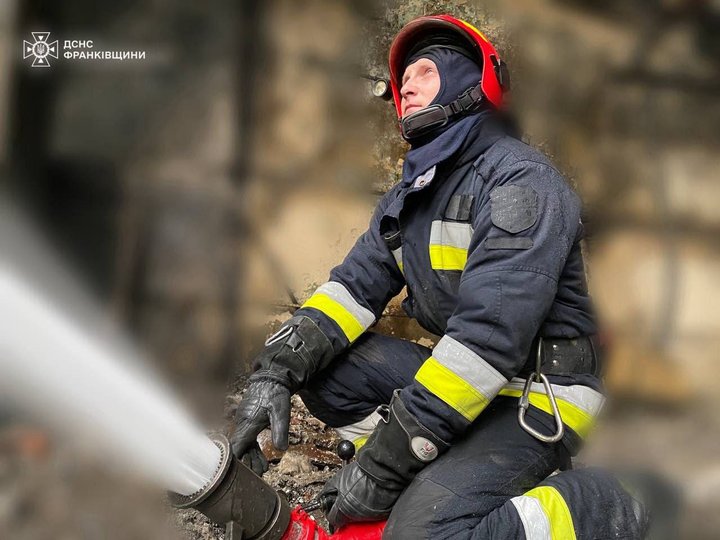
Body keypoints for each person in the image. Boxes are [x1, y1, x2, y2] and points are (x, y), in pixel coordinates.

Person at [230, 14, 654, 539]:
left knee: (423, 534)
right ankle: (438, 473)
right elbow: (350, 290)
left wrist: (378, 471)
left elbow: (487, 341)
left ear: (473, 84)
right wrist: (273, 373)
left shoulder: (519, 181)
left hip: (540, 394)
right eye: (403, 79)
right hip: (473, 384)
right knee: (321, 369)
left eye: (425, 72)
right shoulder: (410, 197)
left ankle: (611, 503)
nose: (405, 86)